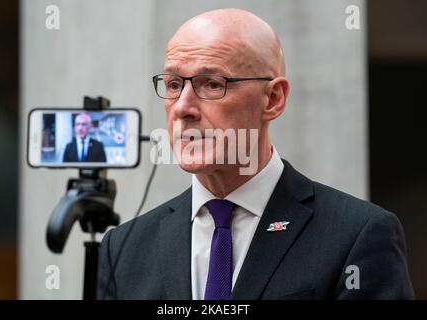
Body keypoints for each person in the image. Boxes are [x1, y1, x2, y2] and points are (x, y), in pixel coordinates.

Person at [97, 8, 414, 299]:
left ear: (273, 99)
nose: (182, 107)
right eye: (173, 84)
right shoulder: (123, 249)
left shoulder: (356, 235)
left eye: (211, 84)